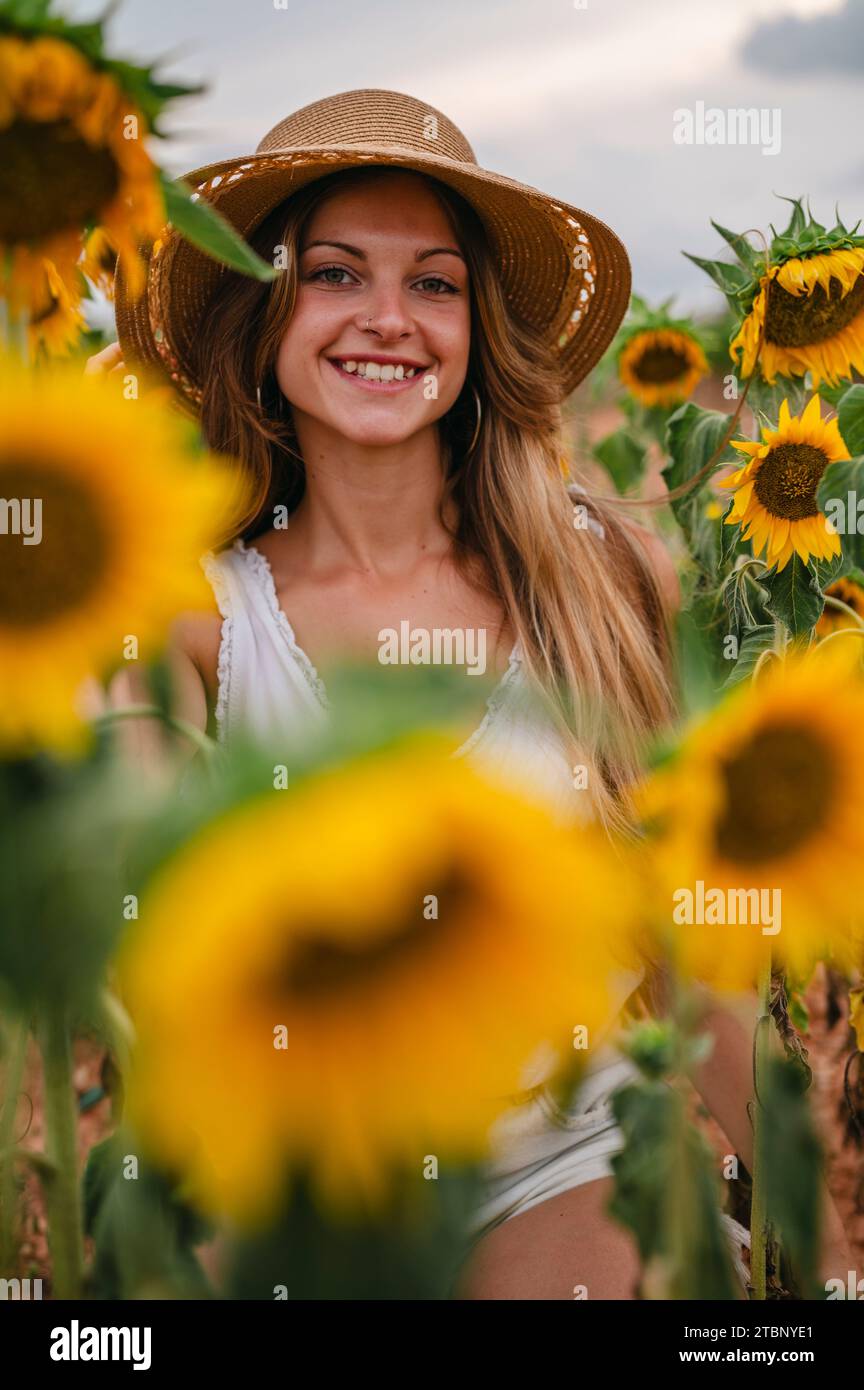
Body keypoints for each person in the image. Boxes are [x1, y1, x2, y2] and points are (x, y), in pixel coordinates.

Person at [87, 88, 851, 1299]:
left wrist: (831, 1261)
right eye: (336, 275)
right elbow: (164, 995)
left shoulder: (600, 577)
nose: (389, 319)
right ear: (265, 311)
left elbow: (693, 960)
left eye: (435, 284)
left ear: (478, 327)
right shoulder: (193, 620)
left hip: (566, 1156)